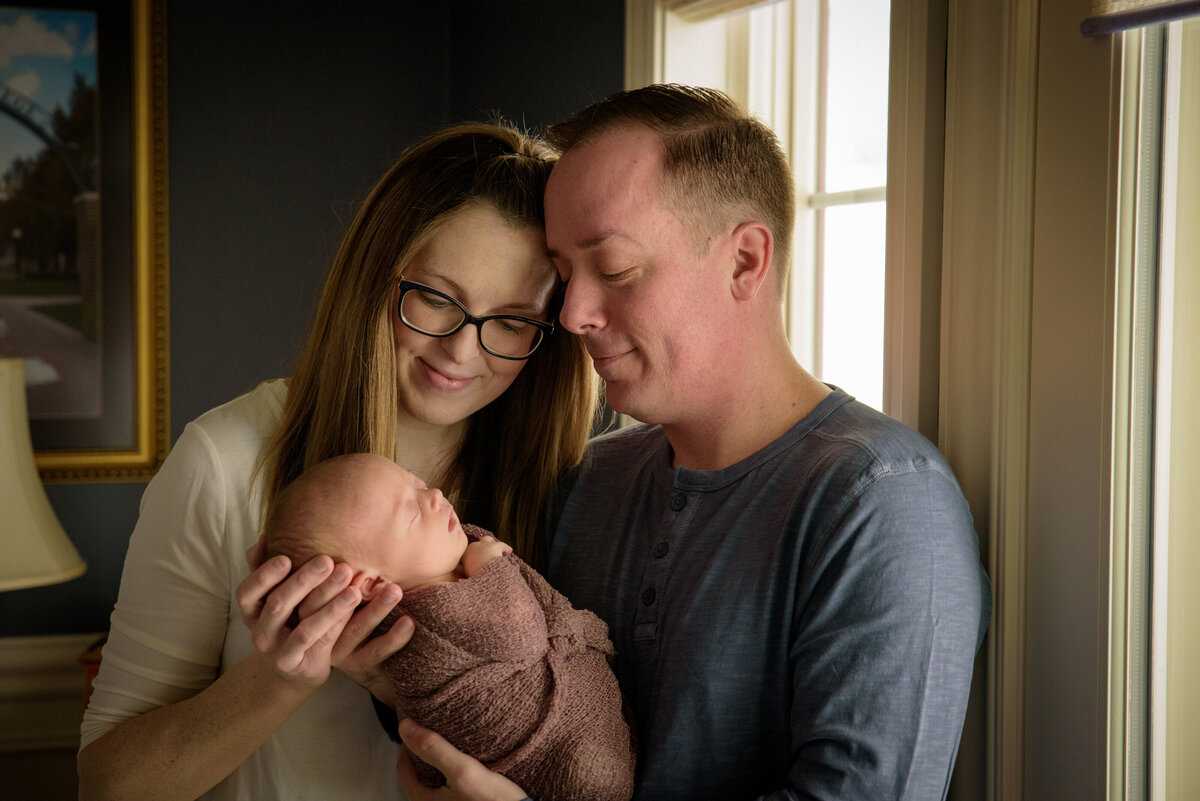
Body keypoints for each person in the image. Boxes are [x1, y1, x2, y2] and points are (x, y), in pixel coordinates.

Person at [397, 84, 992, 801]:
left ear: (745, 260)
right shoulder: (586, 480)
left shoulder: (883, 501)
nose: (576, 313)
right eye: (563, 277)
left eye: (613, 269)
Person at [77, 122, 599, 801]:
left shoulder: (571, 480)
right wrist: (279, 679)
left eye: (511, 320)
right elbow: (108, 785)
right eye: (438, 299)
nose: (461, 352)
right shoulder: (226, 461)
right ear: (372, 276)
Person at [263, 452, 635, 801]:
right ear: (372, 585)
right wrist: (491, 566)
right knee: (594, 770)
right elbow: (521, 640)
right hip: (567, 762)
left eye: (420, 485)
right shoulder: (427, 614)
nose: (436, 496)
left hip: (561, 748)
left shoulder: (442, 568)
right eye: (411, 511)